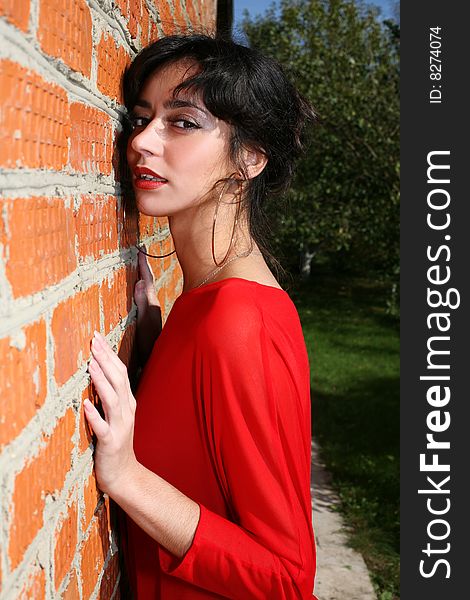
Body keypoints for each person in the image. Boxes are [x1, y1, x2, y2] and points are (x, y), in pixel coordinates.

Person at [84, 33, 318, 599]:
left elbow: (286, 580)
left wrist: (127, 478)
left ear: (250, 158)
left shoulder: (238, 322)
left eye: (183, 122)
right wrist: (154, 334)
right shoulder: (205, 304)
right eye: (141, 118)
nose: (142, 141)